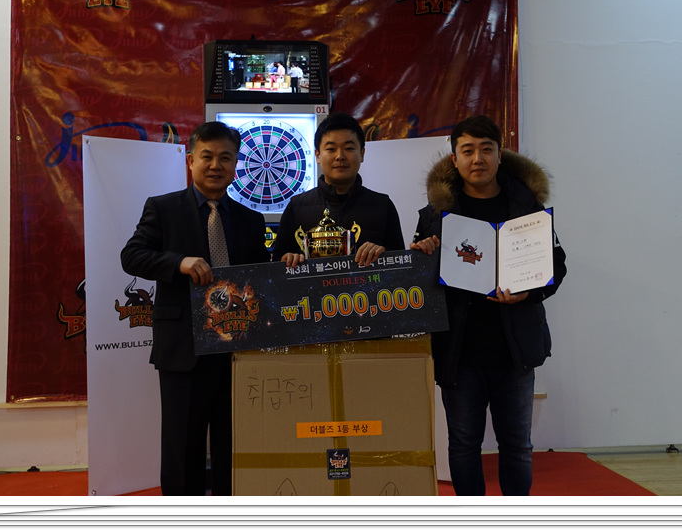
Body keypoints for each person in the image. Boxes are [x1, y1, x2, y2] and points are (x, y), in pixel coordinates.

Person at [410, 115, 566, 496]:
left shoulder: (527, 206)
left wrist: (529, 291)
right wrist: (420, 256)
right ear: (454, 159)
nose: (477, 158)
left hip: (515, 350)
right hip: (460, 352)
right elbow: (419, 283)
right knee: (464, 445)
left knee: (518, 446)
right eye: (467, 151)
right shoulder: (434, 214)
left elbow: (557, 265)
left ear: (499, 154)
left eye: (486, 149)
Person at [120, 121, 270, 496]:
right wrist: (179, 263)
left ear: (236, 165)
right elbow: (132, 256)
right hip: (183, 348)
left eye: (226, 158)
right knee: (182, 446)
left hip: (236, 349)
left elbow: (261, 280)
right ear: (191, 161)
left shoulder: (251, 220)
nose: (216, 165)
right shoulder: (163, 208)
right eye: (207, 156)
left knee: (234, 444)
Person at [273, 111, 404, 267]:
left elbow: (401, 264)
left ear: (362, 153)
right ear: (317, 155)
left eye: (349, 148)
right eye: (331, 149)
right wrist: (287, 260)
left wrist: (384, 254)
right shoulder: (296, 207)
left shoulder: (383, 205)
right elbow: (276, 263)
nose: (340, 156)